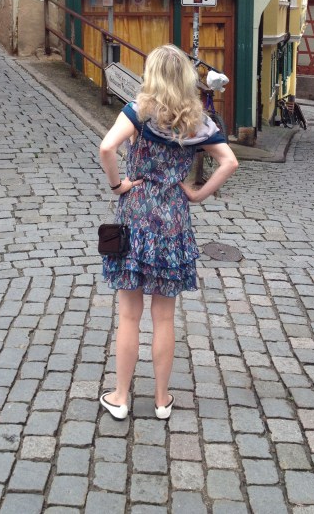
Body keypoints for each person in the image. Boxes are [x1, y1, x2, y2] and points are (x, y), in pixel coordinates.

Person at [98, 44, 239, 421]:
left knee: (129, 315)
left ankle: (121, 397)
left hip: (136, 211)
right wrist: (197, 194)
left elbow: (107, 147)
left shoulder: (138, 112)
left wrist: (118, 186)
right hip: (174, 218)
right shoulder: (198, 121)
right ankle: (162, 400)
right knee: (164, 317)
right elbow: (229, 162)